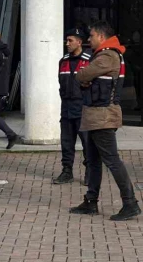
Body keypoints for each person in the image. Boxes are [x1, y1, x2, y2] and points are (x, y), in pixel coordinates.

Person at [69, 21, 141, 221]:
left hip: (103, 116)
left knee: (112, 160)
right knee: (93, 161)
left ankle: (130, 203)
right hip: (96, 116)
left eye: (91, 36)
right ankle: (91, 201)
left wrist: (85, 77)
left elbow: (82, 75)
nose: (89, 39)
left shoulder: (107, 55)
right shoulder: (105, 55)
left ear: (101, 37)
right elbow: (86, 78)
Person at [52, 28, 91, 185]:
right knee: (66, 143)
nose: (67, 43)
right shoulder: (63, 61)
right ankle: (67, 171)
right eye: (66, 40)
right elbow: (60, 84)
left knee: (87, 143)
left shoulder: (89, 60)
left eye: (70, 40)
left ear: (79, 42)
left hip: (83, 108)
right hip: (66, 108)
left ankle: (90, 172)